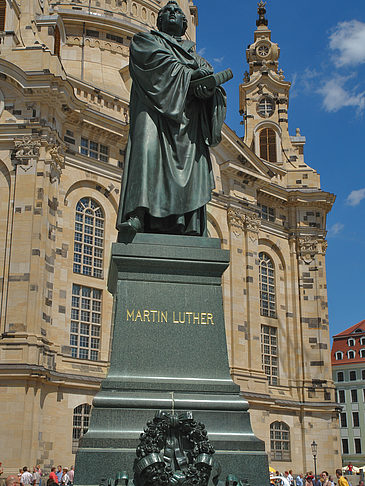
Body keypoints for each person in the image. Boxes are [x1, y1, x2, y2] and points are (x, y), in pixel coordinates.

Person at [116, 0, 227, 237]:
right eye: (167, 10)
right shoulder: (145, 41)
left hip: (188, 123)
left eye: (178, 11)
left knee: (191, 161)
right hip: (153, 114)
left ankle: (189, 223)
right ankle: (138, 214)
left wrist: (207, 92)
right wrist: (189, 76)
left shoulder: (198, 58)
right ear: (159, 20)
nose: (173, 13)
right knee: (145, 150)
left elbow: (211, 91)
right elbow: (154, 66)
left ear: (186, 22)